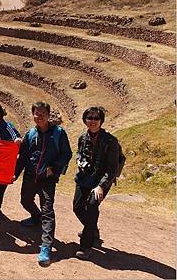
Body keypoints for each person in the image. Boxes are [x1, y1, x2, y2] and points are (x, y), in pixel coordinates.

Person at [14, 101, 72, 267]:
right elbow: (23, 156)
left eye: (43, 114)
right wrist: (15, 174)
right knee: (25, 201)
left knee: (48, 210)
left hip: (48, 179)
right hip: (31, 176)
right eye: (36, 114)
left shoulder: (59, 133)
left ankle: (46, 246)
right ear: (33, 115)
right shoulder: (30, 133)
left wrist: (53, 169)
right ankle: (35, 216)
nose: (39, 117)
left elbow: (67, 153)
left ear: (48, 115)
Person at [73, 106, 120, 260]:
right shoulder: (83, 137)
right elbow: (80, 153)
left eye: (96, 118)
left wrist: (101, 186)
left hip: (101, 180)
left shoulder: (110, 141)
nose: (92, 121)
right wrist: (79, 160)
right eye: (90, 118)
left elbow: (112, 168)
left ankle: (86, 246)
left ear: (101, 121)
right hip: (84, 178)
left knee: (92, 206)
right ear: (85, 120)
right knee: (78, 207)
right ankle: (92, 228)